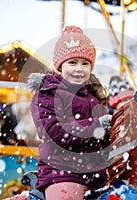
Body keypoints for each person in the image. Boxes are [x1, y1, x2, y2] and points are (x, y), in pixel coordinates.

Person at [28, 25, 111, 200]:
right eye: (72, 63)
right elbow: (56, 133)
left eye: (85, 63)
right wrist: (98, 126)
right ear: (60, 66)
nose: (79, 69)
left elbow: (103, 141)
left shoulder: (94, 97)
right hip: (62, 173)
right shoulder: (47, 94)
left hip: (96, 176)